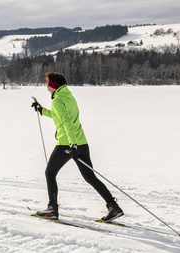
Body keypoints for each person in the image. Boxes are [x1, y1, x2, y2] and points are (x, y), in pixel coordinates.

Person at [31, 72, 124, 222]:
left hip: (67, 144)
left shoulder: (57, 101)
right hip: (82, 142)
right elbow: (60, 116)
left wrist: (71, 144)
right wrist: (42, 111)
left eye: (48, 84)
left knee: (50, 173)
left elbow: (66, 122)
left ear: (53, 86)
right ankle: (113, 207)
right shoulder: (68, 96)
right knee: (90, 177)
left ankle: (52, 208)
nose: (47, 87)